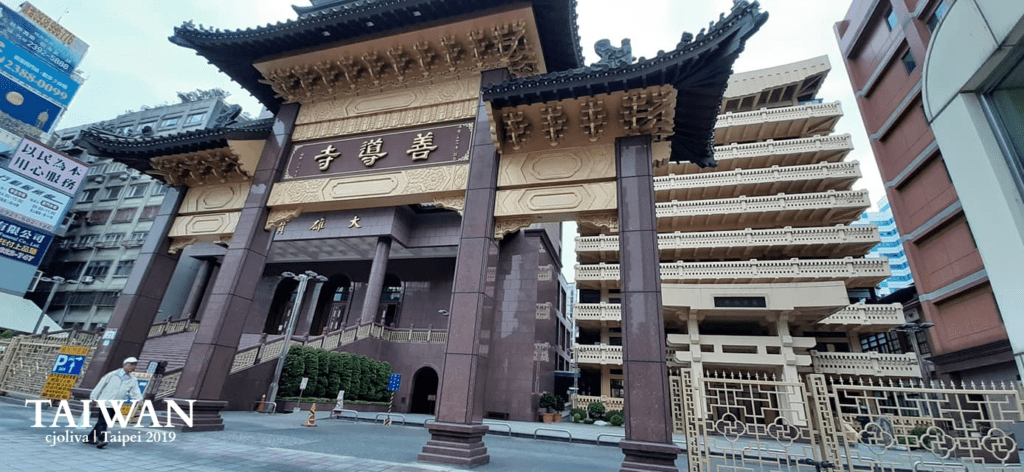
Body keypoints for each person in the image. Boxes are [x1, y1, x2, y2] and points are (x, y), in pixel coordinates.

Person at [87, 357, 143, 449]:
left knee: (104, 421)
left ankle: (90, 437)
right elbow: (100, 386)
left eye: (134, 365)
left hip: (117, 404)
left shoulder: (132, 379)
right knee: (103, 421)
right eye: (130, 365)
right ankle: (101, 440)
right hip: (105, 402)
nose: (132, 367)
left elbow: (135, 391)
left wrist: (139, 399)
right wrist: (93, 398)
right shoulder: (112, 375)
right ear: (124, 364)